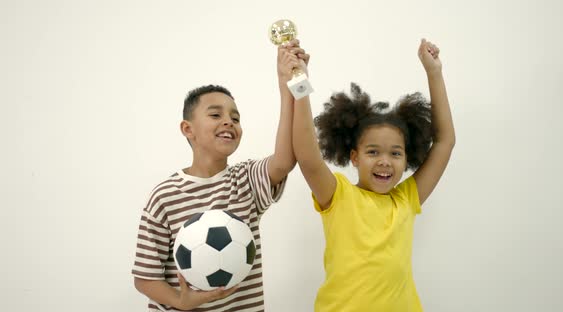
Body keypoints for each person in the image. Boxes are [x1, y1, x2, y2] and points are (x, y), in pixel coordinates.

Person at [132, 41, 309, 311]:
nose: (228, 121)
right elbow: (145, 277)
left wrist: (288, 85)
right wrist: (180, 300)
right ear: (188, 129)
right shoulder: (164, 196)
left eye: (235, 118)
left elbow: (284, 160)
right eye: (215, 114)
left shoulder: (245, 180)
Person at [292, 39, 455, 311]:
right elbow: (308, 157)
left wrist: (434, 73)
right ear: (354, 157)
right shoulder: (339, 195)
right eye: (373, 152)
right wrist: (299, 82)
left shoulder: (406, 198)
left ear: (407, 157)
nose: (385, 162)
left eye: (395, 153)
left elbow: (443, 142)